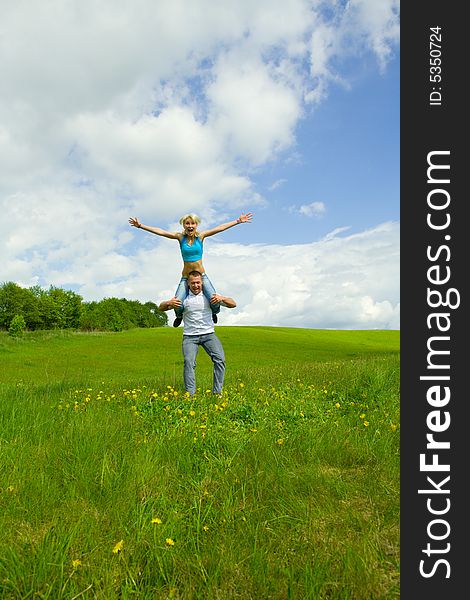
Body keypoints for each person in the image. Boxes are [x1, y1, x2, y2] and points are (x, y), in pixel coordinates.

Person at [129, 211, 252, 327]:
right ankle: (179, 315)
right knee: (177, 301)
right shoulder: (180, 237)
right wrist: (141, 226)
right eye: (187, 223)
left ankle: (214, 313)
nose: (190, 225)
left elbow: (219, 228)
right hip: (186, 277)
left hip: (201, 276)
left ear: (196, 225)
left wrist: (237, 221)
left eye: (192, 223)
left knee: (214, 299)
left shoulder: (201, 236)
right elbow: (161, 232)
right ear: (183, 225)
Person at [158, 270, 236, 397]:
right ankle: (190, 395)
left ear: (202, 283)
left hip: (208, 334)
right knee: (189, 362)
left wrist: (221, 298)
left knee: (220, 360)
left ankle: (217, 393)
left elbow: (233, 304)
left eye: (198, 283)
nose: (196, 286)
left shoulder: (209, 297)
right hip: (190, 337)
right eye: (193, 283)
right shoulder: (184, 299)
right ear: (188, 284)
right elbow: (160, 307)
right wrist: (168, 303)